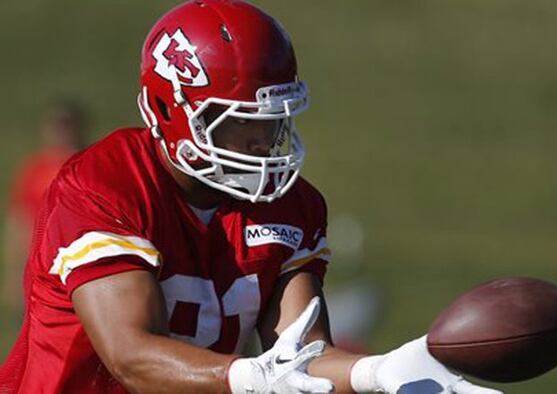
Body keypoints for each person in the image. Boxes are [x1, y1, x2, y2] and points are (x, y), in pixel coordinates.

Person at [0, 1, 502, 393]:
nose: (263, 142)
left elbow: (302, 357)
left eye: (273, 120)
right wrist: (252, 379)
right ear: (170, 110)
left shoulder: (290, 206)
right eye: (241, 122)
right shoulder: (104, 185)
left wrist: (382, 370)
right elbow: (133, 358)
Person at [2, 99, 86, 314]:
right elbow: (20, 219)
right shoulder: (35, 169)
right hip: (40, 265)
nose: (61, 132)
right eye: (56, 126)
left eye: (66, 125)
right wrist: (14, 273)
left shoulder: (88, 164)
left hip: (79, 260)